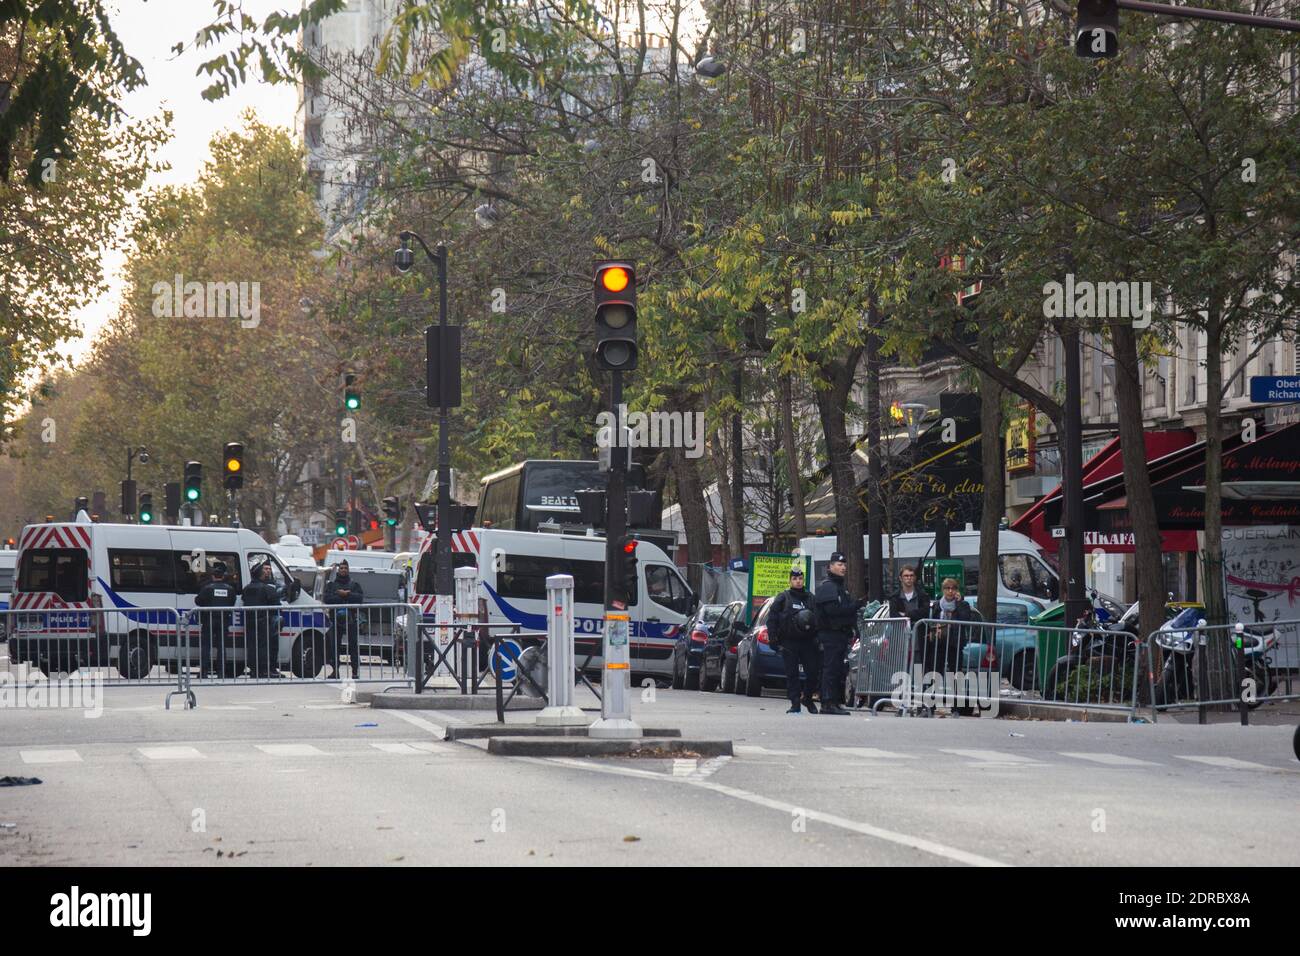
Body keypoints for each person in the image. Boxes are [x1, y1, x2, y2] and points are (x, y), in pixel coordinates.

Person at [814, 551, 864, 716]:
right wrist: (854, 606)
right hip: (830, 635)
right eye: (839, 564)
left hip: (839, 635)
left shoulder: (839, 587)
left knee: (836, 669)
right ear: (830, 566)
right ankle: (828, 703)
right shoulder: (828, 587)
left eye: (844, 565)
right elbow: (833, 611)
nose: (843, 567)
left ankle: (833, 701)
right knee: (830, 669)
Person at [768, 567, 821, 714]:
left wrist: (818, 638)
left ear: (803, 580)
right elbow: (772, 619)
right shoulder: (783, 598)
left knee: (813, 672)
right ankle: (795, 702)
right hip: (789, 641)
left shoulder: (810, 598)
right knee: (792, 674)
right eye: (795, 579)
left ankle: (808, 698)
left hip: (808, 642)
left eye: (800, 579)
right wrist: (773, 639)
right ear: (790, 581)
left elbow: (818, 619)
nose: (798, 581)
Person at [194, 561, 238, 677]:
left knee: (206, 646)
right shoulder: (230, 589)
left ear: (213, 576)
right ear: (223, 576)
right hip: (223, 620)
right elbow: (232, 602)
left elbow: (198, 601)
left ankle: (203, 672)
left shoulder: (207, 588)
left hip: (208, 619)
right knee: (221, 647)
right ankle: (221, 672)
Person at [924, 577, 975, 676]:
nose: (950, 591)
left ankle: (955, 691)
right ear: (943, 590)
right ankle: (936, 690)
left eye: (953, 588)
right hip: (939, 641)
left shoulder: (963, 604)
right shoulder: (937, 605)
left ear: (957, 590)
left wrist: (959, 603)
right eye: (947, 588)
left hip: (955, 642)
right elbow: (931, 622)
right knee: (937, 669)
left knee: (955, 670)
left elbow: (965, 619)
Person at [242, 559, 285, 678]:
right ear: (261, 574)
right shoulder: (268, 589)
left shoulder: (247, 588)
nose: (267, 573)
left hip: (250, 621)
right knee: (264, 646)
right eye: (264, 571)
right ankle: (265, 670)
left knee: (252, 646)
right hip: (263, 621)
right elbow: (276, 605)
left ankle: (254, 670)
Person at [323, 561, 365, 679]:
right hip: (335, 620)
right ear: (338, 570)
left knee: (353, 646)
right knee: (334, 646)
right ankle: (335, 671)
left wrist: (347, 594)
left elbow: (359, 598)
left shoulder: (354, 585)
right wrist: (340, 595)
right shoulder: (332, 585)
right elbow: (327, 599)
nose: (343, 570)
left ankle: (355, 672)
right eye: (341, 568)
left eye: (345, 568)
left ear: (348, 570)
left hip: (351, 619)